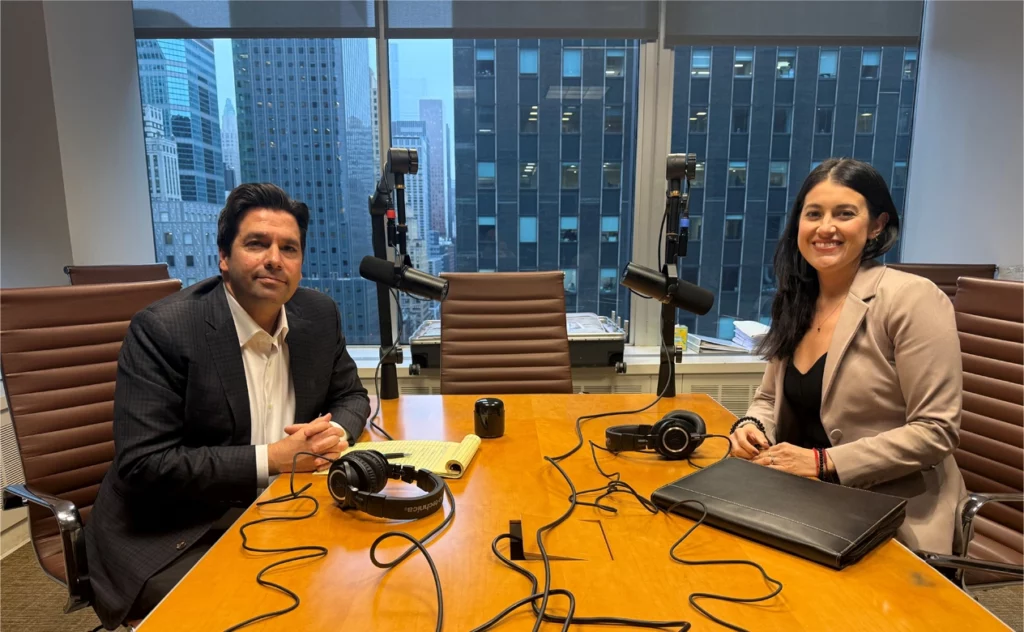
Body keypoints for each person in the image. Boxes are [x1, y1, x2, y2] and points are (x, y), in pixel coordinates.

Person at [86, 183, 370, 629]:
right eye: (257, 244)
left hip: (287, 505)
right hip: (175, 528)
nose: (274, 259)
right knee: (263, 613)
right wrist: (272, 458)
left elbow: (351, 395)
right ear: (224, 257)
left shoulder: (318, 315)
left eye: (289, 248)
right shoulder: (164, 330)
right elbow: (144, 464)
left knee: (364, 579)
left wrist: (333, 435)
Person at [729, 158, 967, 555]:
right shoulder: (796, 300)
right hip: (801, 502)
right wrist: (752, 426)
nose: (825, 228)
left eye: (844, 214)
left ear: (876, 225)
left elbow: (935, 430)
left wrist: (825, 463)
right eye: (813, 214)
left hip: (893, 514)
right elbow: (769, 398)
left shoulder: (912, 299)